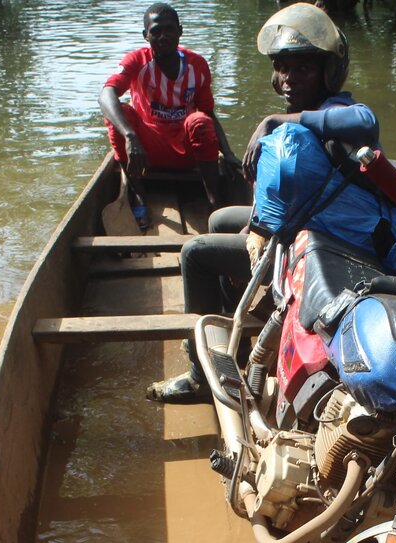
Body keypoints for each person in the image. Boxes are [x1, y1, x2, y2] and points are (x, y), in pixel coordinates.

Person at [147, 2, 379, 404]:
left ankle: (200, 376)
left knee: (195, 254)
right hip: (304, 231)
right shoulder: (314, 111)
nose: (288, 79)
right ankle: (233, 343)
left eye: (302, 69)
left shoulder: (336, 111)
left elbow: (367, 122)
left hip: (317, 250)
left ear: (328, 71)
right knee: (220, 219)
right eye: (283, 68)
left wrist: (276, 120)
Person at [99, 3, 240, 225]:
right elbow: (106, 95)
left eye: (169, 29)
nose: (163, 36)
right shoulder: (137, 60)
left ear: (180, 31)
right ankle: (138, 192)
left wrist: (228, 153)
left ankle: (214, 200)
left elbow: (208, 113)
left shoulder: (197, 65)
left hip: (186, 153)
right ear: (145, 36)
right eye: (155, 31)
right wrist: (130, 136)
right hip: (146, 153)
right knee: (119, 113)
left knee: (199, 121)